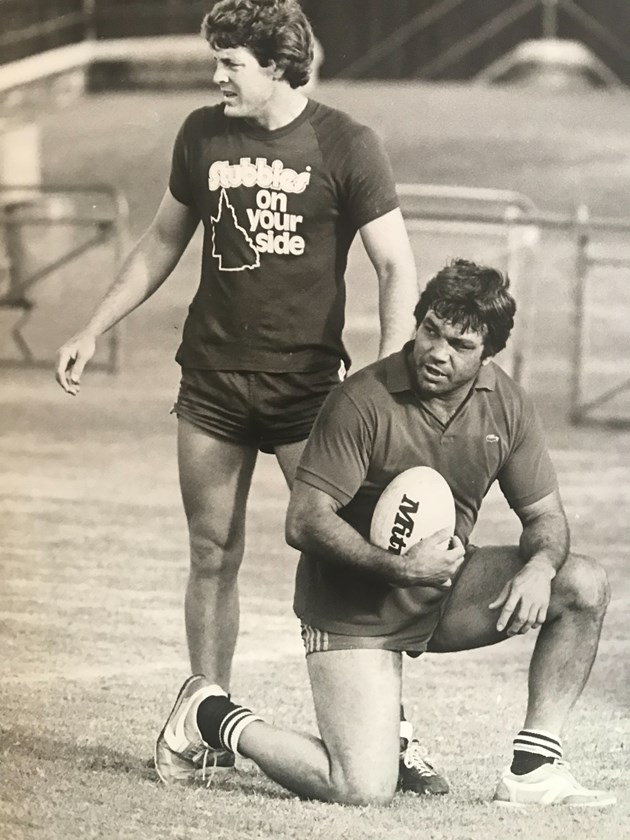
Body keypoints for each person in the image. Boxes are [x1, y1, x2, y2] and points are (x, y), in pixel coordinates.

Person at [54, 0, 443, 793]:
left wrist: (385, 380)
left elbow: (396, 266)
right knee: (212, 553)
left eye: (231, 63)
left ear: (278, 66)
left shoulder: (348, 143)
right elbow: (163, 240)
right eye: (217, 61)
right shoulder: (202, 134)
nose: (216, 77)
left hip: (310, 394)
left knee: (351, 558)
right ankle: (205, 720)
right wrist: (93, 326)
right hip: (212, 385)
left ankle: (392, 736)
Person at [154, 259, 616, 808]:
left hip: (440, 590)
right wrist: (402, 568)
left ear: (488, 355)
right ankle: (208, 712)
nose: (437, 352)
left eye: (460, 345)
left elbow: (546, 518)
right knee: (360, 787)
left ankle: (534, 768)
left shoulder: (507, 405)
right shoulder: (363, 400)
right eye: (431, 331)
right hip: (352, 608)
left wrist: (539, 567)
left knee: (581, 583)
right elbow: (304, 520)